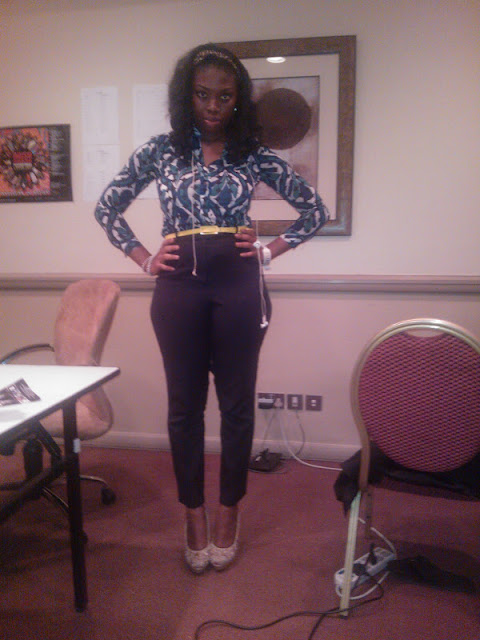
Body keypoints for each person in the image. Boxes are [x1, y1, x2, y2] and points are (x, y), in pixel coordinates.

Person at [94, 43, 328, 573]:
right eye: (203, 94)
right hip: (178, 286)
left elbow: (315, 210)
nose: (214, 105)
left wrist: (269, 250)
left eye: (225, 95)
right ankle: (193, 511)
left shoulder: (253, 153)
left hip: (238, 284)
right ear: (187, 96)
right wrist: (142, 258)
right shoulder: (160, 151)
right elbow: (107, 207)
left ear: (238, 98)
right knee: (184, 407)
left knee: (237, 405)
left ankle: (229, 509)